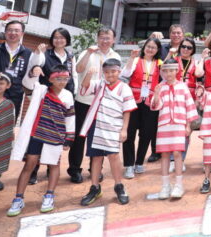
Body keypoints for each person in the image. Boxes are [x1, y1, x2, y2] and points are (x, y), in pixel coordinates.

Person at [7, 67, 75, 216]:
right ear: (50, 79)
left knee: (54, 165)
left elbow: (70, 117)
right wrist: (34, 71)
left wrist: (69, 138)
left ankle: (49, 196)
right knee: (29, 164)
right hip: (37, 135)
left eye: (65, 79)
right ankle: (18, 198)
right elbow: (27, 84)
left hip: (56, 136)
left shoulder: (68, 95)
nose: (62, 82)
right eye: (58, 79)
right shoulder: (41, 90)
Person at [78, 57, 136, 206]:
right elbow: (84, 88)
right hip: (96, 125)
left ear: (119, 71)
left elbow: (127, 110)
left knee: (114, 156)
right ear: (103, 73)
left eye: (113, 71)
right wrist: (89, 74)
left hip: (114, 126)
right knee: (96, 157)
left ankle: (119, 186)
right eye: (107, 72)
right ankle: (95, 187)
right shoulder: (99, 84)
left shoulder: (124, 87)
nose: (110, 74)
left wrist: (124, 129)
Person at [22, 29, 75, 184]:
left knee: (56, 134)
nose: (59, 40)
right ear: (52, 39)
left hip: (63, 99)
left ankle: (50, 169)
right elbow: (34, 66)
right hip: (46, 98)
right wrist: (37, 55)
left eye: (62, 37)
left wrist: (73, 93)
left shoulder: (70, 56)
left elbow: (74, 76)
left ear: (67, 40)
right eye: (56, 37)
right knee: (40, 134)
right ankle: (33, 171)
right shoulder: (45, 54)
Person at [69, 27, 120, 184]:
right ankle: (74, 170)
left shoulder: (116, 56)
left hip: (103, 103)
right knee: (79, 136)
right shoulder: (87, 52)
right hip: (84, 101)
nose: (104, 41)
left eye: (108, 38)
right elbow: (78, 69)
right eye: (102, 37)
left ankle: (95, 169)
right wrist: (89, 53)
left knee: (98, 137)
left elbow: (116, 79)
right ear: (97, 38)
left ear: (113, 40)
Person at [151, 59, 198, 199]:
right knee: (165, 154)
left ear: (177, 71)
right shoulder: (160, 87)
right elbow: (155, 106)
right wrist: (156, 94)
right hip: (164, 125)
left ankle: (179, 185)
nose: (169, 74)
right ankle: (165, 185)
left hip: (179, 124)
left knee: (177, 153)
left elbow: (189, 106)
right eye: (166, 71)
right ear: (162, 72)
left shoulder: (183, 87)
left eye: (171, 70)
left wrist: (188, 126)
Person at [121, 38, 163, 179]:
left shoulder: (160, 64)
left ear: (157, 50)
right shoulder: (135, 61)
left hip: (150, 103)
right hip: (134, 101)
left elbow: (164, 78)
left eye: (153, 47)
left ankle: (139, 162)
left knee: (146, 134)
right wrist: (131, 58)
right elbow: (125, 74)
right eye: (148, 46)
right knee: (130, 133)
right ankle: (129, 164)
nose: (150, 49)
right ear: (144, 47)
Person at [0, 20, 32, 118]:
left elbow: (30, 75)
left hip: (15, 97)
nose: (13, 33)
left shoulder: (28, 53)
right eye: (10, 30)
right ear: (5, 32)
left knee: (9, 124)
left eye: (16, 30)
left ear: (22, 33)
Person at [0, 72, 15, 192]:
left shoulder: (9, 104)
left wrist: (10, 137)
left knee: (0, 157)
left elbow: (10, 123)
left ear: (8, 85)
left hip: (2, 139)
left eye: (1, 83)